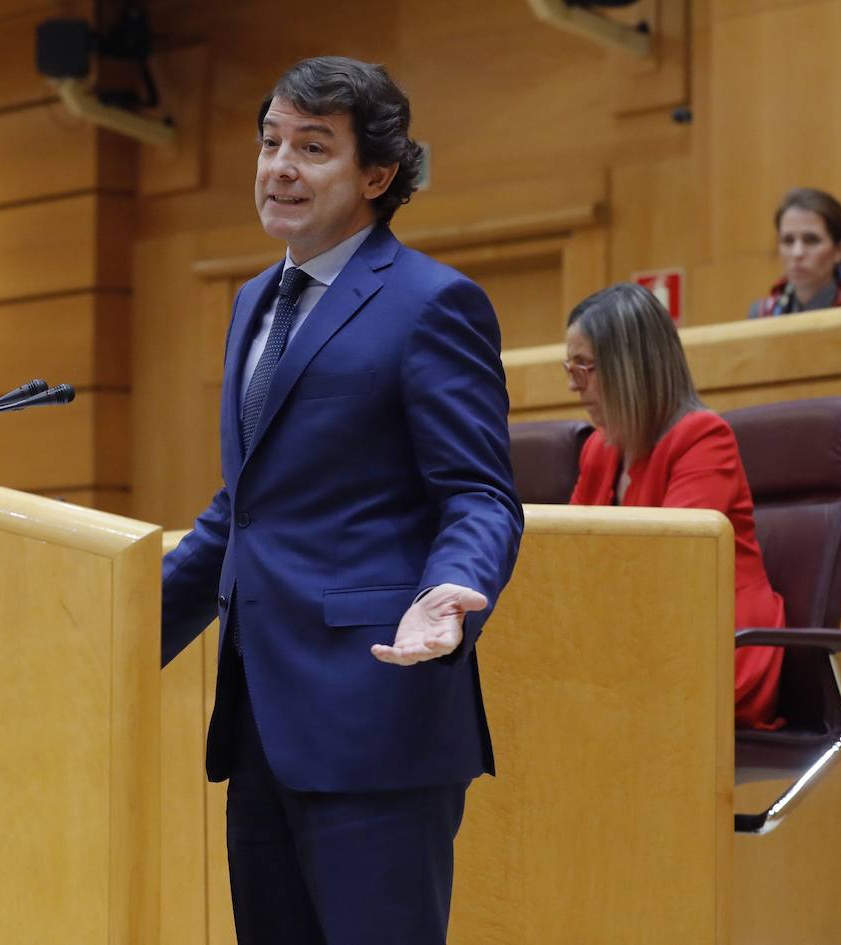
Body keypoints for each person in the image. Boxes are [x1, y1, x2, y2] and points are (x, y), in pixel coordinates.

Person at [160, 57, 522, 945]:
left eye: (313, 148)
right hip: (260, 721)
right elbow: (247, 509)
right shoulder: (254, 300)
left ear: (377, 174)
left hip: (375, 713)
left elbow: (479, 492)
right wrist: (115, 629)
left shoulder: (433, 303)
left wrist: (450, 592)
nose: (279, 167)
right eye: (270, 142)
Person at [567, 283, 784, 729]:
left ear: (631, 367)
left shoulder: (703, 438)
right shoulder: (599, 450)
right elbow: (568, 558)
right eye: (569, 368)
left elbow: (670, 573)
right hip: (639, 646)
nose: (573, 385)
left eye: (584, 367)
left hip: (717, 645)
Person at [748, 187, 841, 318]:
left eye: (811, 240)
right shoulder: (761, 314)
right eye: (788, 240)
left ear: (840, 250)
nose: (797, 253)